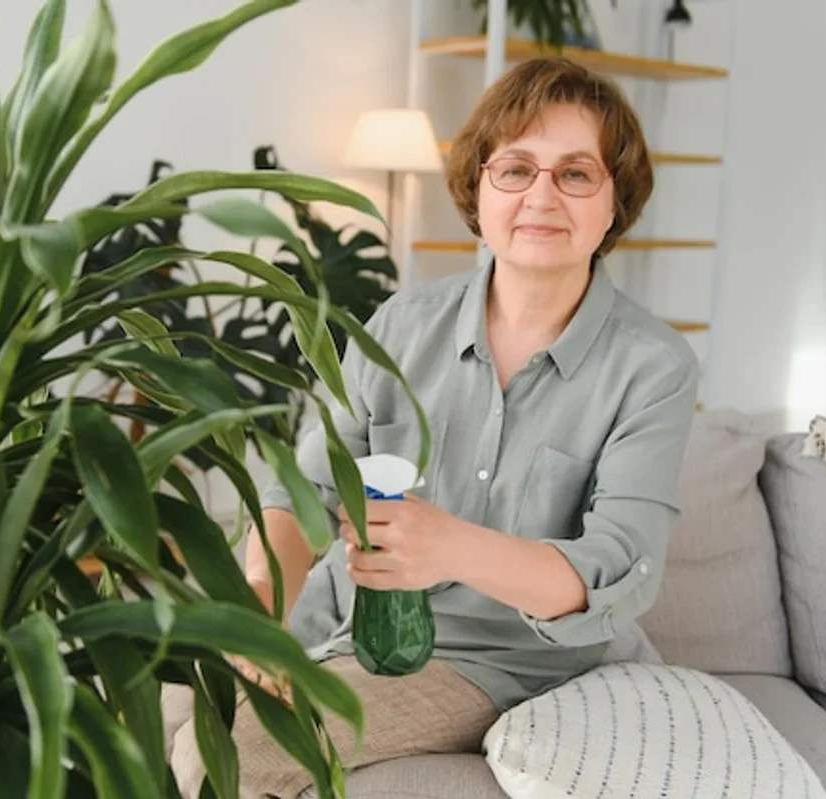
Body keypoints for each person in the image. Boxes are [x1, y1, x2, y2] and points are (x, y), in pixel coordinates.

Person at [168, 55, 700, 799]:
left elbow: (619, 567)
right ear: (478, 190)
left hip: (499, 661)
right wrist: (263, 599)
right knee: (165, 705)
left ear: (616, 202)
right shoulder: (400, 324)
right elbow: (311, 486)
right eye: (515, 169)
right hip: (344, 626)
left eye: (575, 174)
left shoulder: (654, 366)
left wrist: (449, 545)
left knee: (235, 750)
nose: (541, 195)